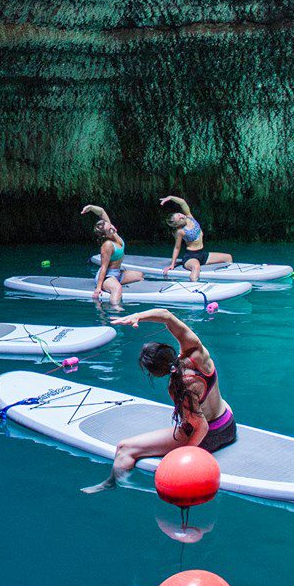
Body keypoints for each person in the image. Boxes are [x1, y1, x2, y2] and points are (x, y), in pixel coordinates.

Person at [82, 307, 236, 492]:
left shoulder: (180, 387)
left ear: (155, 373)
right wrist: (138, 316)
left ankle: (112, 484)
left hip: (210, 435)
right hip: (228, 422)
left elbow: (201, 427)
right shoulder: (197, 351)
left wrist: (180, 458)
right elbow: (166, 316)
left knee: (125, 448)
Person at [82, 203, 143, 312]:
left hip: (118, 273)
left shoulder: (113, 233)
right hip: (108, 276)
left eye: (110, 226)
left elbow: (101, 211)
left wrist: (90, 207)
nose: (112, 228)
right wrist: (98, 288)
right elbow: (104, 267)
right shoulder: (108, 245)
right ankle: (115, 310)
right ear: (105, 235)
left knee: (140, 275)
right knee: (117, 289)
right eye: (109, 229)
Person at [158, 195, 234, 280]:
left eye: (179, 214)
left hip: (203, 254)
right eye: (179, 218)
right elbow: (177, 248)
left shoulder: (189, 217)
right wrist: (172, 264)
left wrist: (170, 197)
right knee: (196, 267)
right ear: (177, 224)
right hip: (191, 257)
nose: (182, 216)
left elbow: (182, 202)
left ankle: (230, 277)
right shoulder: (180, 231)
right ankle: (194, 288)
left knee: (228, 257)